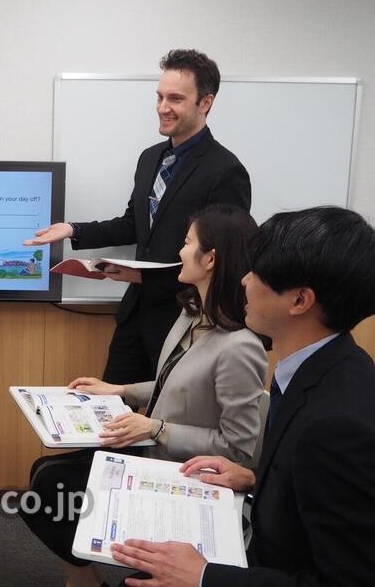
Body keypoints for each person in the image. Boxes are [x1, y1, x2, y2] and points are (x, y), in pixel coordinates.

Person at [111, 206, 375, 587]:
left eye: (258, 273)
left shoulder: (337, 426)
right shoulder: (326, 367)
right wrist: (253, 479)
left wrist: (203, 576)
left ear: (299, 301)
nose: (244, 280)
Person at [20, 205, 267, 587]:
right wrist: (118, 390)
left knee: (50, 489)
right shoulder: (190, 314)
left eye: (186, 243)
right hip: (156, 450)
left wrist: (156, 427)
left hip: (186, 470)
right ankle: (84, 579)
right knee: (45, 477)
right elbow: (174, 382)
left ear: (211, 258)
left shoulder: (239, 347)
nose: (179, 252)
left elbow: (238, 451)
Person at [25, 49, 251, 386]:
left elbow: (224, 262)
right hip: (134, 317)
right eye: (159, 97)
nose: (163, 107)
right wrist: (74, 229)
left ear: (205, 103)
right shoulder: (150, 159)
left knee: (167, 420)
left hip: (186, 323)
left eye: (175, 98)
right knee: (110, 413)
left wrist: (145, 279)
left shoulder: (225, 170)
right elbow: (134, 223)